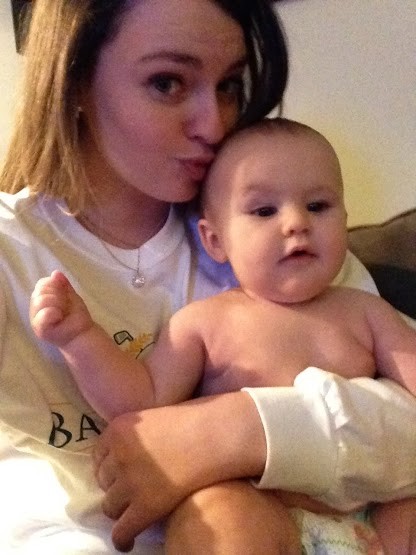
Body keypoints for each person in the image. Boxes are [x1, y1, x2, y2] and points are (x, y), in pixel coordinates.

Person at [0, 0, 415, 553]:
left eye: (229, 86)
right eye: (167, 82)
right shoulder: (11, 250)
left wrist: (235, 431)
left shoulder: (281, 247)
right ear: (74, 80)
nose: (215, 124)